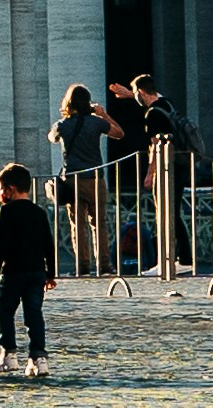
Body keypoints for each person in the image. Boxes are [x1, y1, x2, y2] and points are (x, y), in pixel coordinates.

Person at [0, 162, 56, 379]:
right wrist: (50, 274)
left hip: (13, 272)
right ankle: (38, 358)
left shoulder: (7, 212)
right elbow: (48, 244)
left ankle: (8, 353)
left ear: (10, 189)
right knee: (34, 314)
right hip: (36, 272)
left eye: (0, 190)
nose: (0, 195)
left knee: (4, 311)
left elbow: (1, 244)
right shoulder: (39, 212)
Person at [103, 72, 175, 275]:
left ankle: (167, 261)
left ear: (142, 92)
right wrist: (129, 94)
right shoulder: (167, 105)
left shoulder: (152, 115)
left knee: (165, 214)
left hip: (164, 168)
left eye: (136, 94)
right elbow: (155, 97)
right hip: (178, 166)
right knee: (172, 213)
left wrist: (150, 173)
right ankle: (180, 258)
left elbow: (155, 147)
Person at [50, 86, 116, 275]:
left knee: (77, 225)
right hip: (94, 179)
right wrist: (103, 114)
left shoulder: (62, 124)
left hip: (72, 179)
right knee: (99, 224)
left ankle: (82, 266)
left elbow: (51, 137)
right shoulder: (95, 123)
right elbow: (119, 133)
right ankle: (104, 265)